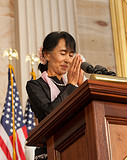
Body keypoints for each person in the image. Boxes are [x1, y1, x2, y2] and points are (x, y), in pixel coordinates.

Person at [26, 31, 84, 160]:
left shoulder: (73, 86)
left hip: (76, 146)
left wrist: (82, 89)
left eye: (71, 55)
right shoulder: (35, 86)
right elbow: (49, 114)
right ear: (46, 55)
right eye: (62, 54)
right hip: (50, 150)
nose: (67, 60)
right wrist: (72, 84)